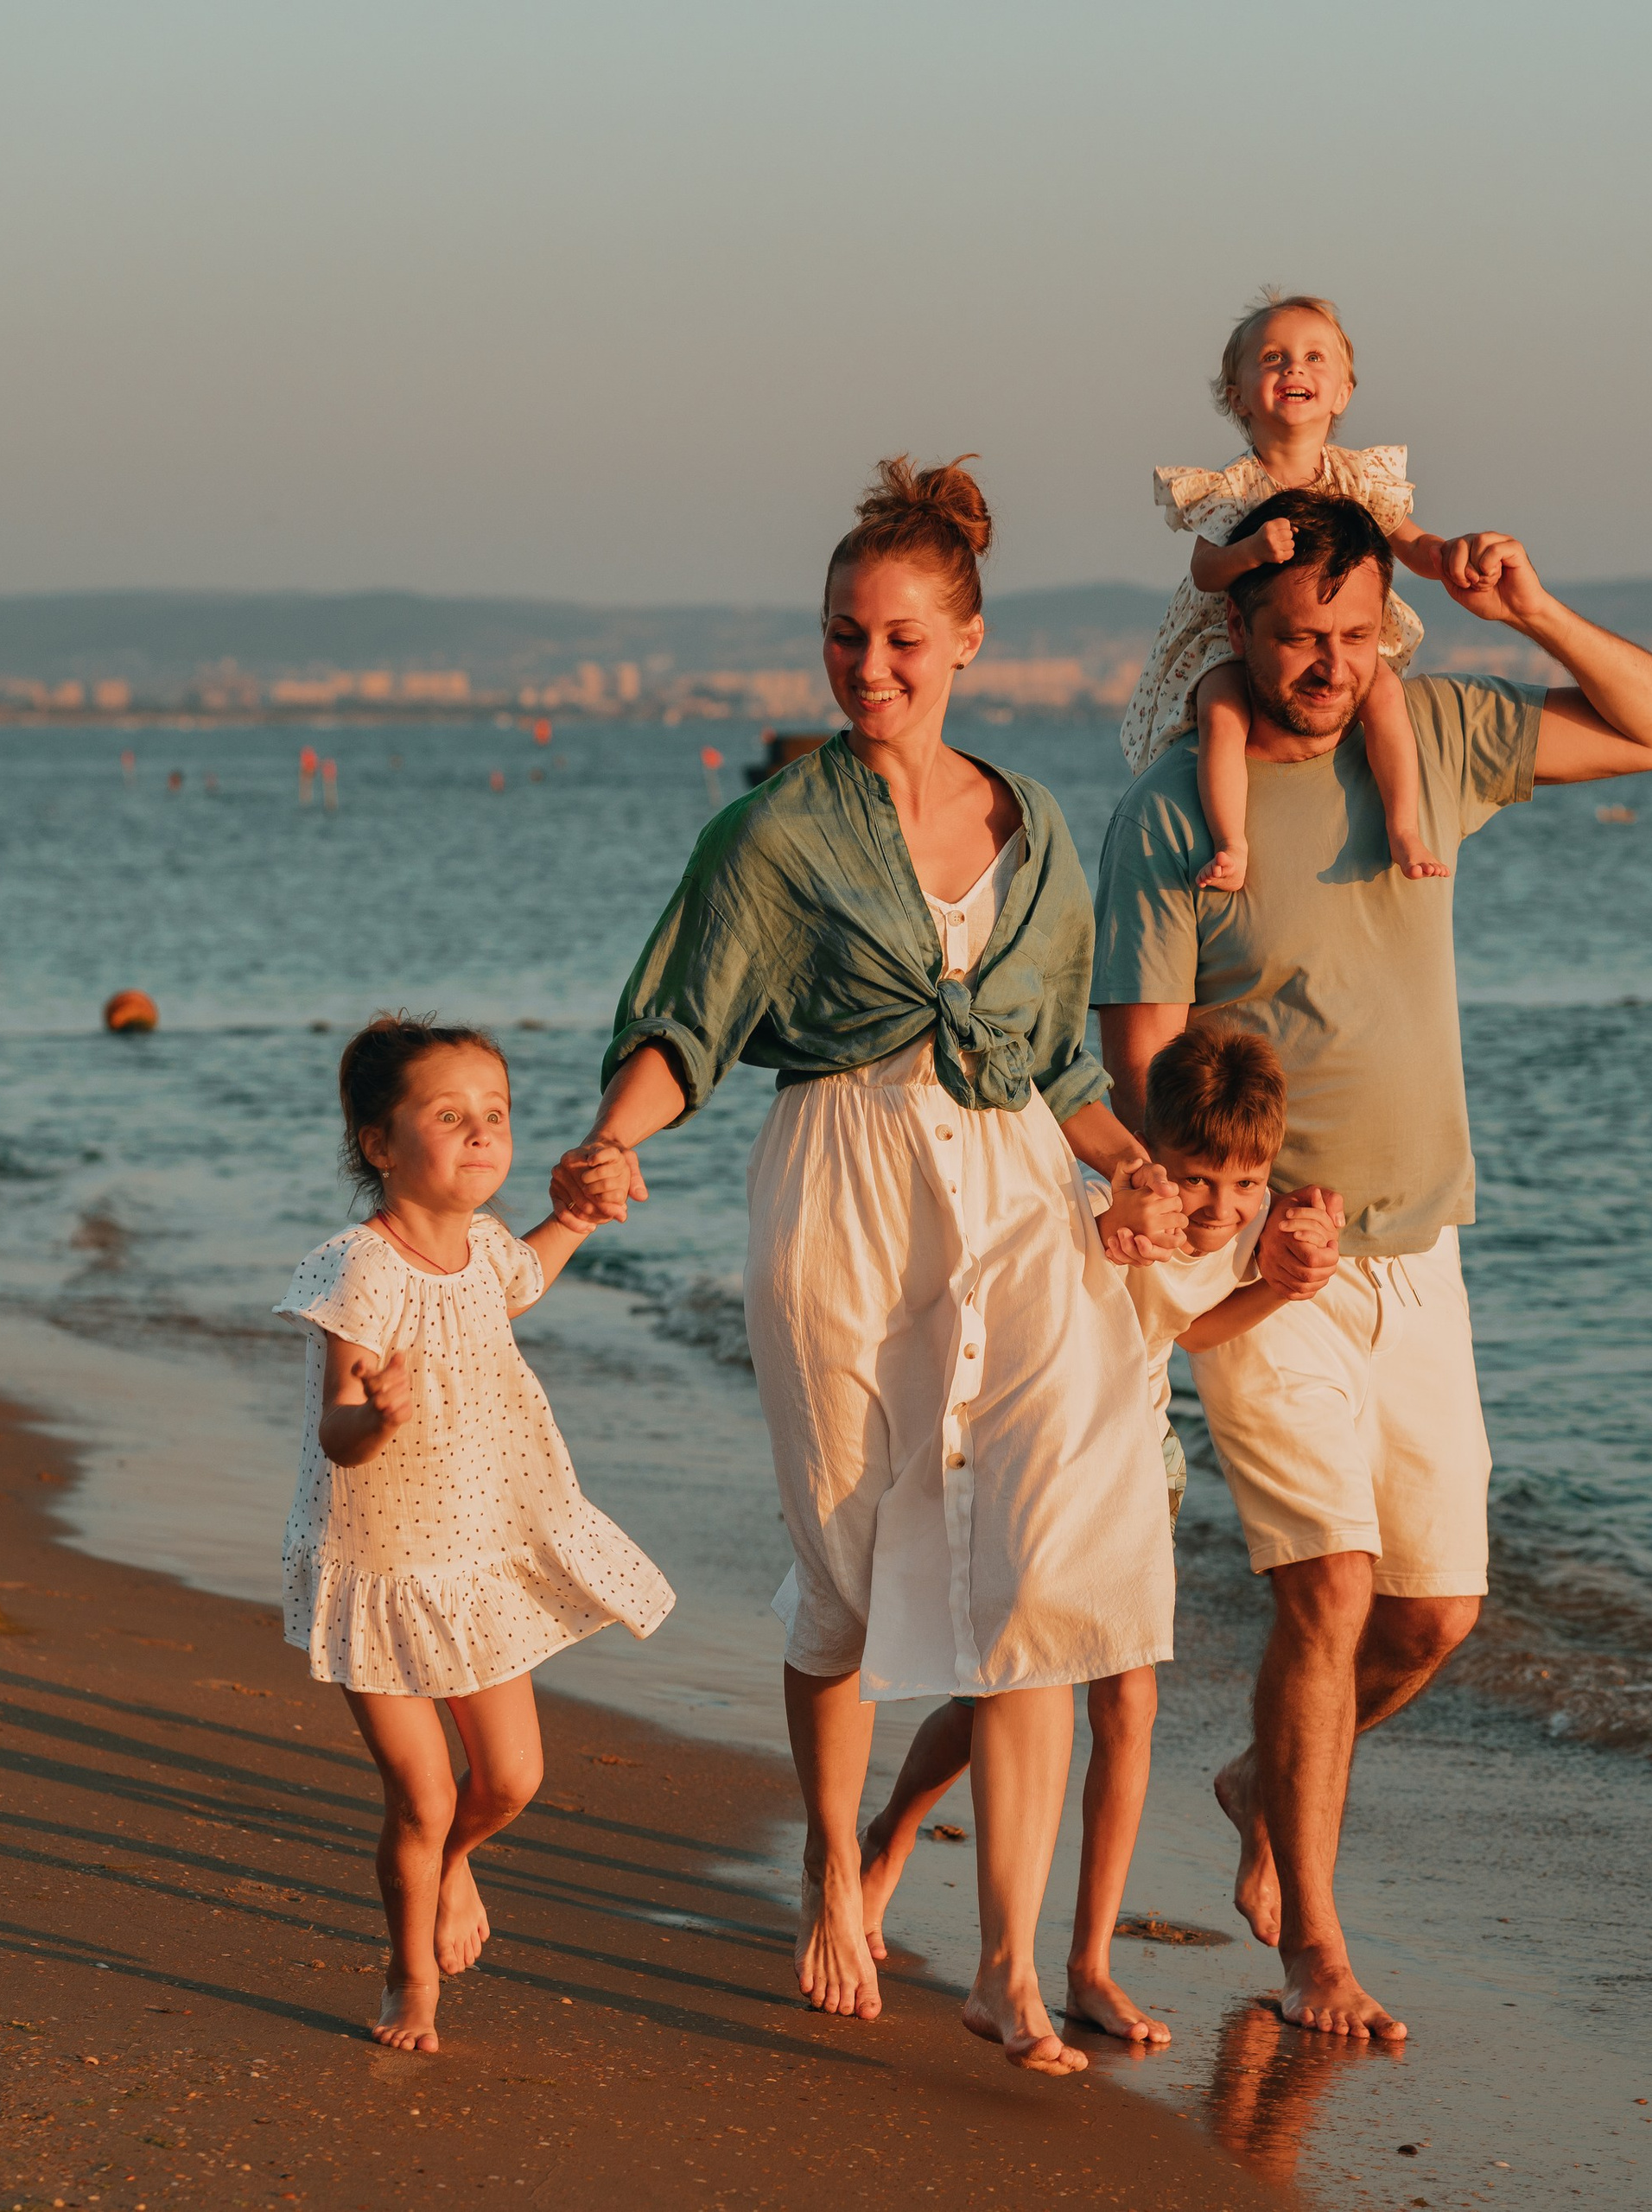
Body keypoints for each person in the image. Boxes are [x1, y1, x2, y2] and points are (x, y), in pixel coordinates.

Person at [550, 456, 1185, 2078]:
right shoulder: (772, 833)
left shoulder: (1039, 831)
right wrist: (613, 1141)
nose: (870, 667)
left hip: (1024, 1211)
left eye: (902, 638)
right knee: (844, 1574)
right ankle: (836, 1864)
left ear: (968, 638)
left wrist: (1143, 1174)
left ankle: (1007, 1972)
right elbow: (686, 1021)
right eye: (845, 638)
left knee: (1036, 1591)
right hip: (840, 1190)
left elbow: (1064, 1069)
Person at [1093, 489, 1652, 2041]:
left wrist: (1538, 615)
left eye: (1356, 638)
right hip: (1276, 1264)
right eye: (1299, 638)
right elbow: (1143, 1050)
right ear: (1239, 631)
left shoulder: (1432, 734)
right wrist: (1220, 1211)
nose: (1327, 665)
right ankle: (1315, 1944)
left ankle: (1262, 1781)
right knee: (1332, 1591)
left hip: (1424, 1251)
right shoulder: (1177, 807)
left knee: (1434, 1616)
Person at [855, 1026, 1340, 2045]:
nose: (1221, 1206)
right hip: (1043, 1464)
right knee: (1005, 1688)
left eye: (1246, 1182)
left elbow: (1178, 1328)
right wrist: (1111, 1227)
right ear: (1146, 1156)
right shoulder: (1107, 1211)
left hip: (1140, 1464)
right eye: (1198, 1178)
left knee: (1126, 1701)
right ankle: (890, 1837)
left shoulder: (1232, 1233)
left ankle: (1088, 1965)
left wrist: (1270, 1285)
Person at [276, 1014, 675, 2054]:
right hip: (381, 1564)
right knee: (420, 1794)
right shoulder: (358, 1265)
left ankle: (455, 1860)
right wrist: (378, 1417)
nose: (482, 1133)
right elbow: (334, 1425)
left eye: (494, 1114)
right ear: (380, 1145)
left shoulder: (487, 1244)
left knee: (510, 1781)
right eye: (449, 1116)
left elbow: (518, 1279)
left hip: (481, 1550)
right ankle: (409, 1977)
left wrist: (575, 1218)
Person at [1116, 289, 1505, 892]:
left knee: (1384, 698)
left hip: (1335, 633)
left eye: (1315, 358)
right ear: (1236, 396)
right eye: (1272, 358)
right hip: (1228, 629)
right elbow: (1205, 571)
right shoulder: (1234, 487)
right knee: (1221, 709)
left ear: (1343, 393)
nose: (1294, 368)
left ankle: (1404, 826)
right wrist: (1252, 553)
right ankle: (1231, 843)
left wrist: (1449, 556)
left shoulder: (1358, 478)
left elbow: (1410, 542)